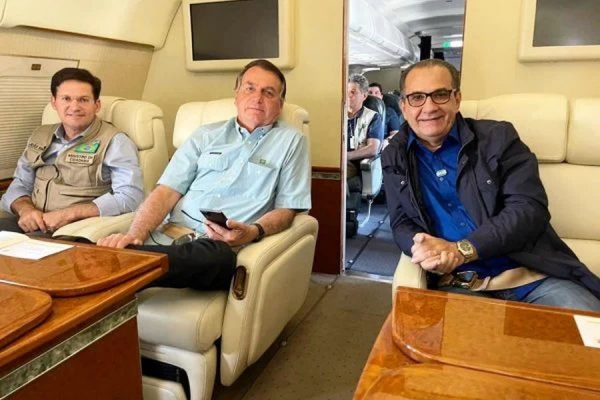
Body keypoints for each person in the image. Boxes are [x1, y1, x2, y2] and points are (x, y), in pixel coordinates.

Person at [383, 58, 600, 311]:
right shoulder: (394, 155)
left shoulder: (498, 138)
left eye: (440, 95)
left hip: (532, 275)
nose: (429, 107)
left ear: (457, 98)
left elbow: (529, 209)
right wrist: (423, 250)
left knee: (587, 331)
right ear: (403, 106)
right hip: (460, 283)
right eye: (417, 97)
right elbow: (401, 222)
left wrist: (463, 250)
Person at [97, 59, 311, 290]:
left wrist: (253, 231)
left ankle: (121, 267)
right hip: (167, 238)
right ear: (237, 95)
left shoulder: (292, 142)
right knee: (91, 244)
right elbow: (166, 191)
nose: (257, 98)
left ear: (280, 105)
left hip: (216, 247)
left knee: (217, 258)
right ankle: (116, 262)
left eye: (268, 93)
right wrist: (134, 236)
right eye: (250, 88)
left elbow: (287, 209)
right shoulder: (205, 135)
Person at [0, 68, 143, 235]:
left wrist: (68, 215)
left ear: (97, 105)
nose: (74, 107)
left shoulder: (116, 142)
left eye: (83, 100)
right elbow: (20, 184)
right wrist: (26, 210)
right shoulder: (40, 135)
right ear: (54, 102)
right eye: (66, 98)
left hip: (75, 230)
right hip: (31, 222)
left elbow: (130, 197)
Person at [347, 75, 384, 180]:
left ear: (364, 95)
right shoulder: (337, 115)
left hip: (356, 164)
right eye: (346, 91)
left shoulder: (373, 117)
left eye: (353, 92)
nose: (348, 95)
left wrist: (347, 156)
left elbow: (373, 149)